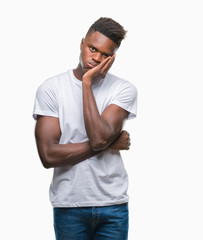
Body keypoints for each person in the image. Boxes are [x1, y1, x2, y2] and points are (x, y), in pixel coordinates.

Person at [33, 17, 137, 240]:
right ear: (82, 43)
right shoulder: (52, 89)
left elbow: (99, 138)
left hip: (112, 205)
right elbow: (48, 155)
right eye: (92, 48)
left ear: (113, 58)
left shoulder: (123, 89)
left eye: (106, 55)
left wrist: (86, 83)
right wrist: (110, 142)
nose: (96, 58)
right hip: (69, 204)